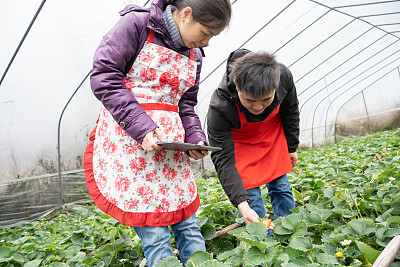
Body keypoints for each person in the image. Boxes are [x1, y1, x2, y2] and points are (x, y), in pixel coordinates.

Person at [83, 0, 231, 266]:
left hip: (170, 154)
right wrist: (143, 128)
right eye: (206, 33)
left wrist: (195, 138)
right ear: (186, 14)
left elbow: (185, 104)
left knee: (188, 226)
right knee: (155, 236)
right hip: (132, 147)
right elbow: (104, 75)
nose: (206, 42)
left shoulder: (194, 54)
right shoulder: (137, 25)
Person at [207, 49, 299, 227]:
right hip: (242, 145)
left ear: (275, 86)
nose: (257, 107)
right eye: (249, 100)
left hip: (272, 137)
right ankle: (263, 241)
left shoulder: (284, 77)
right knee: (252, 201)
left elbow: (291, 111)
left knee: (281, 188)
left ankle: (289, 232)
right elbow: (223, 160)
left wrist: (291, 147)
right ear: (237, 85)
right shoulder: (220, 106)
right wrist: (242, 205)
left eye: (266, 100)